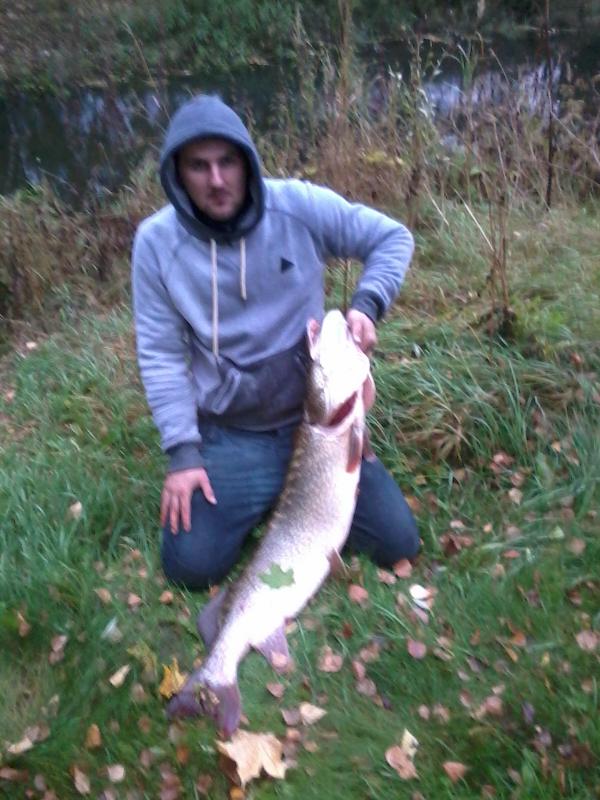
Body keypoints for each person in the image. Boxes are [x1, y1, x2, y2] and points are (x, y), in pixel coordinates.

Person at [132, 94, 419, 590]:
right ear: (177, 173)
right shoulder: (156, 244)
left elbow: (392, 238)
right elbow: (161, 356)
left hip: (317, 423)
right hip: (233, 433)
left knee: (398, 543)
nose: (216, 179)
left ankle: (293, 502)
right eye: (199, 166)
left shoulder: (297, 206)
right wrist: (183, 455)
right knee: (190, 566)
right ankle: (262, 495)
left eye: (227, 162)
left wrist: (367, 304)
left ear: (247, 161)